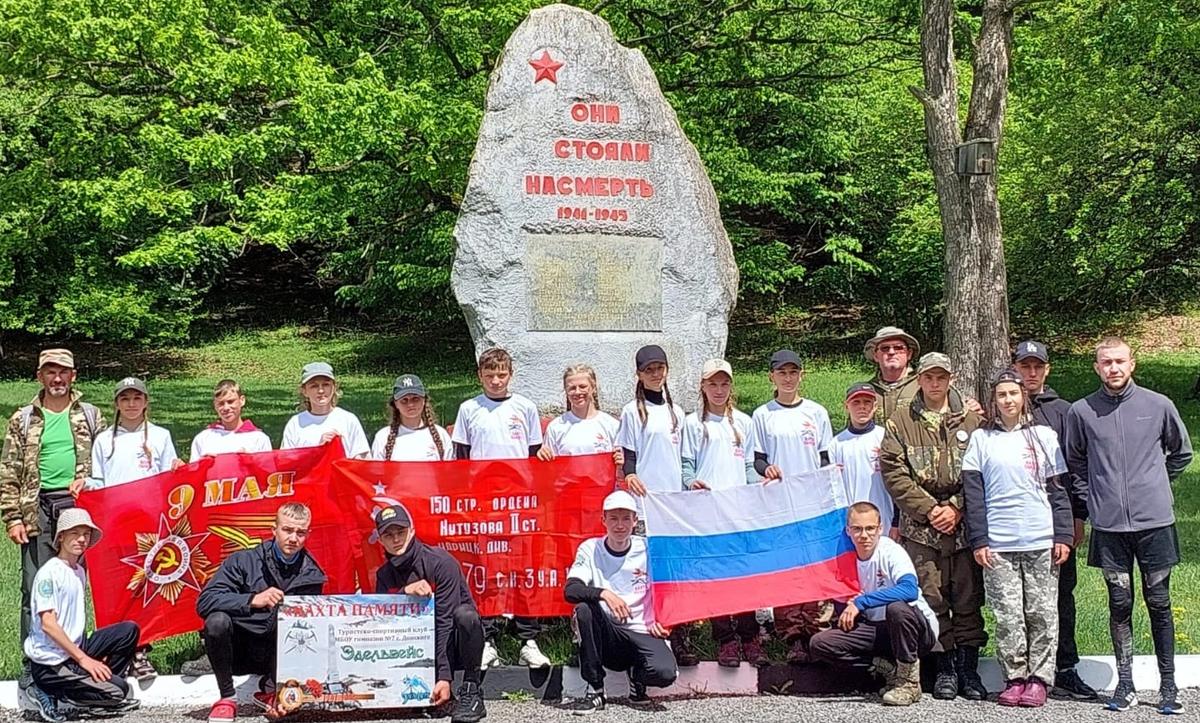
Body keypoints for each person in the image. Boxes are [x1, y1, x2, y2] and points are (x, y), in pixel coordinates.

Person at [1065, 337, 1193, 714]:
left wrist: (1154, 485)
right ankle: (1125, 684)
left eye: (1120, 361)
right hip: (1109, 527)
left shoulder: (1158, 405)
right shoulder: (1082, 411)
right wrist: (1093, 499)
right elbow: (1075, 463)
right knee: (1119, 602)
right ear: (1096, 367)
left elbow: (1182, 453)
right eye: (1106, 362)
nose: (1114, 369)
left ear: (1132, 364)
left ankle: (1169, 687)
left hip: (1155, 523)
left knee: (1160, 602)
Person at [962, 368, 1074, 708]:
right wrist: (979, 540)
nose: (1008, 400)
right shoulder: (981, 440)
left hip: (1041, 540)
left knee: (1041, 612)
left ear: (1024, 396)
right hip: (999, 544)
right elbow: (973, 495)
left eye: (1013, 393)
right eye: (1001, 395)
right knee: (1008, 614)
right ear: (993, 402)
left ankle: (1040, 679)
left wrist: (1063, 534)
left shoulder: (1043, 436)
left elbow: (1058, 492)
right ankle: (1014, 678)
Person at [879, 352, 986, 700]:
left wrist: (955, 507)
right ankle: (944, 669)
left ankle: (969, 670)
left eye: (941, 377)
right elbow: (894, 473)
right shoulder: (899, 421)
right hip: (921, 531)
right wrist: (929, 509)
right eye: (929, 378)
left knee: (968, 599)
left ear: (950, 378)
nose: (935, 383)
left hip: (963, 528)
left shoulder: (971, 421)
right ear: (920, 380)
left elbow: (981, 472)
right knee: (932, 598)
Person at [0, 349, 105, 696]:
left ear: (74, 375)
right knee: (35, 588)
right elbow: (8, 471)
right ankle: (34, 669)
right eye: (50, 372)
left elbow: (109, 459)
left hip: (79, 507)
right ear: (39, 376)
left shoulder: (91, 415)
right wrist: (13, 516)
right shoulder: (23, 419)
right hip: (38, 509)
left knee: (84, 588)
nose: (57, 378)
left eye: (63, 372)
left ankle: (78, 658)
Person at [451, 347, 548, 669]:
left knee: (523, 569)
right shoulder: (468, 409)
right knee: (487, 571)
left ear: (511, 375)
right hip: (483, 504)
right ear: (479, 376)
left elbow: (536, 458)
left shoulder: (525, 407)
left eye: (501, 374)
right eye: (489, 375)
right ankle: (488, 638)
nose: (495, 380)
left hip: (519, 503)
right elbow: (460, 461)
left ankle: (528, 639)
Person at [1012, 340, 1095, 700]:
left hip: (1054, 522)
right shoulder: (1002, 408)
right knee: (1019, 602)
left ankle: (1065, 667)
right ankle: (1023, 671)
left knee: (1060, 597)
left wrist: (1077, 516)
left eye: (1037, 367)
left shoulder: (1065, 412)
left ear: (1047, 370)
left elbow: (1076, 468)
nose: (1030, 373)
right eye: (1024, 366)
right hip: (1013, 525)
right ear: (1014, 368)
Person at [85, 377, 180, 680]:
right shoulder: (103, 440)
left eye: (136, 398)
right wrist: (84, 486)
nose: (131, 404)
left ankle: (142, 650)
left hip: (150, 523)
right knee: (118, 587)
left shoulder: (161, 436)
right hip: (114, 523)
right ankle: (117, 649)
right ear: (116, 403)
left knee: (146, 587)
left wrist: (180, 469)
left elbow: (169, 478)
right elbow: (98, 482)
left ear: (146, 402)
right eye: (124, 398)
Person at [197, 503, 327, 723]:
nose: (293, 538)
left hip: (275, 653)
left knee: (299, 628)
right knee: (216, 621)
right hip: (237, 650)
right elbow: (205, 601)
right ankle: (227, 698)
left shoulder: (313, 574)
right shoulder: (242, 560)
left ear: (308, 534)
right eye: (287, 530)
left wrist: (287, 692)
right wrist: (252, 600)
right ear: (273, 529)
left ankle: (272, 690)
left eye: (300, 532)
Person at [749, 349, 834, 664]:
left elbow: (825, 458)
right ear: (771, 376)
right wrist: (766, 470)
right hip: (780, 503)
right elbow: (757, 459)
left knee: (813, 567)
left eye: (793, 372)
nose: (788, 378)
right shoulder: (763, 414)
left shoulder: (816, 412)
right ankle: (791, 636)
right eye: (782, 372)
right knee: (787, 571)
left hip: (812, 502)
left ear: (802, 375)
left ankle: (816, 633)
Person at [808, 502, 938, 707]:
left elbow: (909, 590)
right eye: (857, 529)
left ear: (880, 528)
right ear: (848, 531)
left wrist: (862, 602)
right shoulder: (844, 558)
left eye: (870, 528)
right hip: (878, 629)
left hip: (916, 629)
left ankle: (909, 683)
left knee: (896, 608)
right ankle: (888, 670)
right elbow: (845, 609)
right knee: (820, 643)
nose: (864, 535)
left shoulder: (890, 551)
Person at [560, 490, 677, 713]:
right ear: (603, 520)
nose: (619, 525)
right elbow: (571, 590)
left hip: (643, 629)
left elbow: (671, 588)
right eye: (613, 518)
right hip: (609, 634)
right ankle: (595, 690)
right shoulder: (590, 548)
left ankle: (637, 676)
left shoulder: (649, 549)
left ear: (635, 521)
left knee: (665, 674)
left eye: (625, 518)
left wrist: (666, 619)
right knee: (584, 609)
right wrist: (604, 593)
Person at [680, 359, 764, 668]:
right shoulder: (692, 423)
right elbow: (687, 466)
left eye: (724, 383)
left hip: (739, 510)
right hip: (708, 510)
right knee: (717, 578)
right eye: (712, 384)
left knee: (744, 576)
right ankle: (725, 639)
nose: (718, 390)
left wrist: (759, 490)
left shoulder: (744, 421)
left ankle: (750, 636)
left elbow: (748, 466)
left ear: (731, 386)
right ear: (702, 386)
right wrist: (691, 483)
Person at [23, 508, 140, 723]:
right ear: (61, 537)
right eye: (75, 533)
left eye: (86, 534)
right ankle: (52, 691)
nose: (81, 539)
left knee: (128, 631)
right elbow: (48, 624)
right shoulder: (49, 574)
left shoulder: (78, 571)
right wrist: (84, 659)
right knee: (119, 691)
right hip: (51, 660)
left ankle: (98, 685)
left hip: (75, 646)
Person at [373, 504, 486, 723]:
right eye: (389, 535)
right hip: (415, 646)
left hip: (453, 642)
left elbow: (444, 621)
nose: (396, 539)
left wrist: (444, 677)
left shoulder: (441, 562)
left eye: (401, 532)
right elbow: (383, 623)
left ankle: (472, 689)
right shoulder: (383, 575)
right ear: (380, 540)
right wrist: (404, 593)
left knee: (466, 616)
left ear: (412, 531)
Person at [615, 344, 691, 665]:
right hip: (645, 502)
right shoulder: (633, 411)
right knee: (648, 570)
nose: (655, 374)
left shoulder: (678, 413)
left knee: (674, 572)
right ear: (639, 374)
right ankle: (648, 629)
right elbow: (628, 455)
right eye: (649, 370)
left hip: (672, 503)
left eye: (660, 368)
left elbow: (683, 460)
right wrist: (629, 475)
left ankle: (678, 632)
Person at [863, 327, 981, 422]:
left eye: (898, 348)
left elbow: (959, 411)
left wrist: (969, 409)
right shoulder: (865, 391)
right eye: (885, 348)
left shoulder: (926, 383)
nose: (891, 352)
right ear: (875, 355)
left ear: (909, 354)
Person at [830, 383, 895, 538]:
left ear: (875, 406)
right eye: (856, 402)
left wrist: (896, 522)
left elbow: (897, 482)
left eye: (867, 402)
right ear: (846, 406)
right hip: (851, 525)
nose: (862, 407)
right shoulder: (836, 444)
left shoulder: (886, 437)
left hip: (884, 520)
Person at [280, 362, 369, 458]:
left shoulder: (348, 420)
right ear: (304, 391)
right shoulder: (296, 424)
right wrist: (319, 450)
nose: (321, 391)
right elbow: (287, 463)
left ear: (334, 387)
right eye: (314, 386)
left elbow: (362, 461)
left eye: (326, 385)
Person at [539, 364, 621, 464]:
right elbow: (550, 468)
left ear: (593, 387)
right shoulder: (556, 427)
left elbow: (622, 465)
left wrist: (621, 460)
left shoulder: (611, 425)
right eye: (572, 388)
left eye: (583, 387)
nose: (577, 392)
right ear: (566, 391)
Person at [371, 375, 454, 461]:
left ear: (424, 401)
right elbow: (377, 472)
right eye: (404, 400)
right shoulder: (383, 437)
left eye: (415, 399)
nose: (410, 404)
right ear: (396, 404)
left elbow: (449, 471)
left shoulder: (441, 435)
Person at [190, 380, 273, 459]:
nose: (226, 408)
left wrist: (251, 461)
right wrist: (202, 464)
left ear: (242, 400)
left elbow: (268, 472)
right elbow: (192, 472)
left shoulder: (259, 439)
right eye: (221, 403)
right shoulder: (203, 438)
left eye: (231, 402)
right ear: (215, 405)